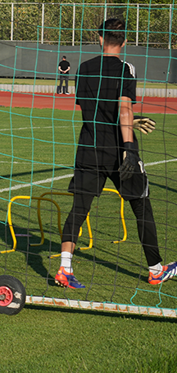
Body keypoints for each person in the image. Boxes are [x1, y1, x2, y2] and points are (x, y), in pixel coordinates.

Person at [54, 18, 177, 289]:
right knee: (141, 206)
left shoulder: (84, 68)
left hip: (88, 148)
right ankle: (156, 270)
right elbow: (122, 109)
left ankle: (64, 268)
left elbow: (95, 111)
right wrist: (129, 147)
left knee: (79, 208)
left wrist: (131, 120)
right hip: (119, 151)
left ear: (99, 38)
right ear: (125, 41)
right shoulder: (126, 68)